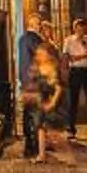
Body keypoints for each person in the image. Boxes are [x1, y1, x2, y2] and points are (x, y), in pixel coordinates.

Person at [24, 35, 74, 163]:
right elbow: (31, 82)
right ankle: (41, 155)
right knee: (40, 128)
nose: (39, 56)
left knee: (54, 131)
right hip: (41, 100)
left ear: (48, 54)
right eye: (38, 53)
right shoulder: (36, 67)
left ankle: (68, 157)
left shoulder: (53, 67)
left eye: (42, 54)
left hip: (53, 100)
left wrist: (52, 103)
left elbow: (58, 88)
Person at [14, 21, 47, 157]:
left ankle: (28, 146)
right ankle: (37, 148)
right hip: (36, 82)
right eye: (39, 25)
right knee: (37, 116)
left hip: (25, 81)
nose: (41, 27)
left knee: (27, 114)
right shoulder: (35, 39)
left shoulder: (22, 39)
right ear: (36, 25)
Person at [62, 19, 87, 136]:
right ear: (74, 28)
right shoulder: (69, 40)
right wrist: (82, 56)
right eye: (79, 29)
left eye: (83, 29)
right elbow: (68, 58)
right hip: (75, 70)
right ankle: (71, 128)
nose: (81, 31)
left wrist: (84, 54)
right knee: (73, 100)